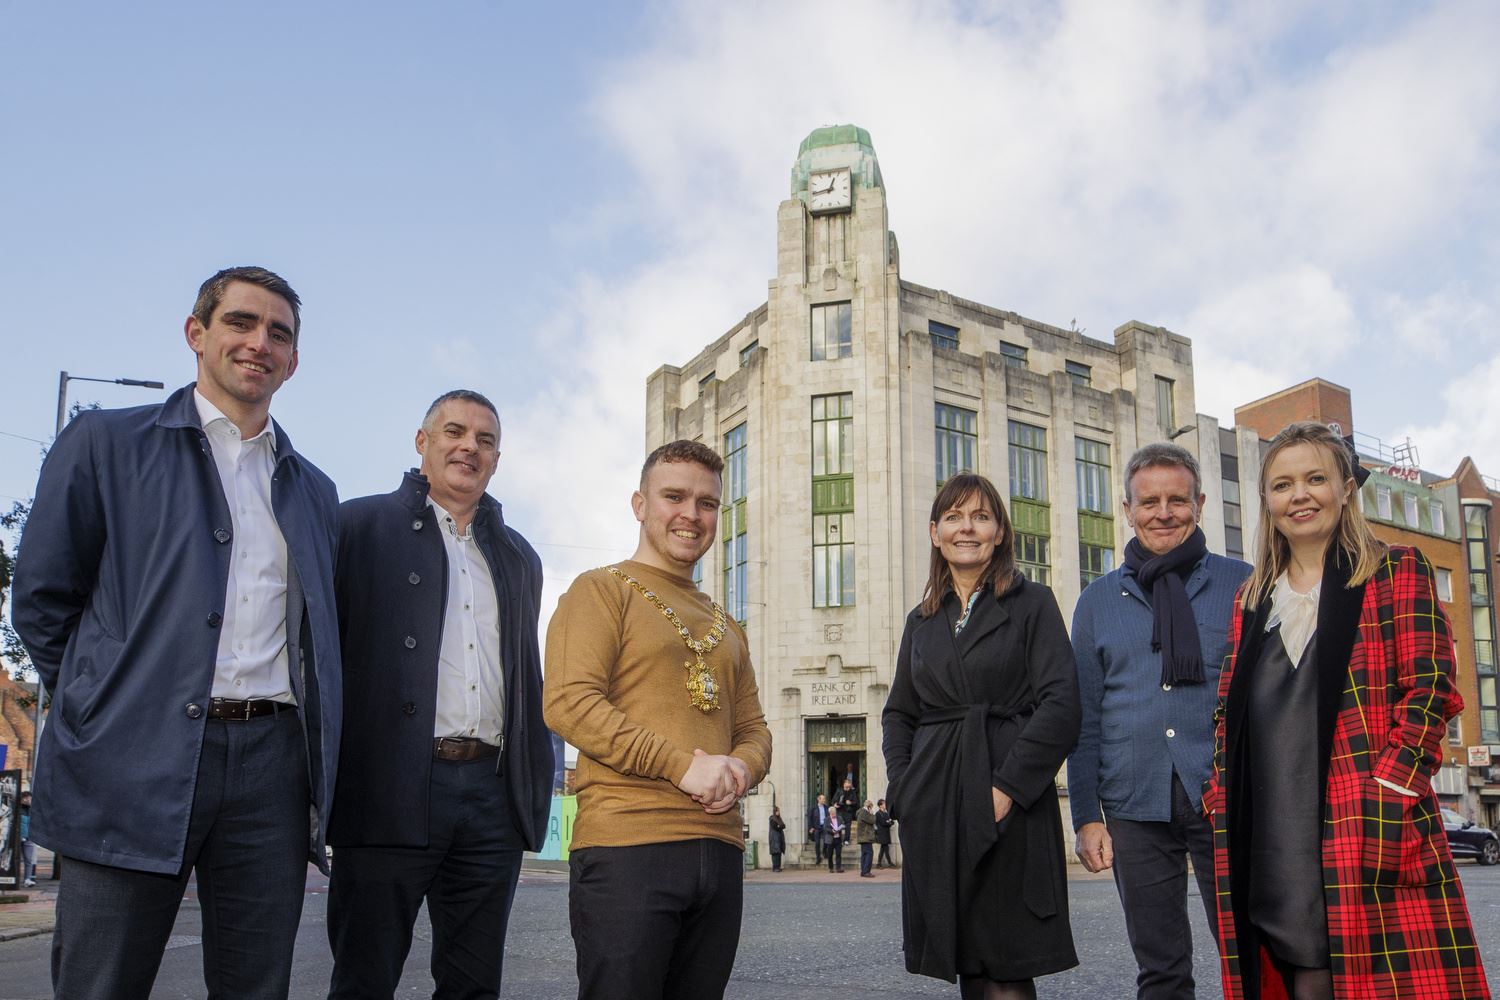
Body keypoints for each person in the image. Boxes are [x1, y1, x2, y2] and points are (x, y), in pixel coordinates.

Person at [11, 266, 341, 1000]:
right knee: (102, 983)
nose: (259, 343)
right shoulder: (105, 443)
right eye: (240, 323)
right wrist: (104, 706)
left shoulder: (315, 489)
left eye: (279, 334)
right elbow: (41, 599)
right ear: (197, 334)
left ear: (293, 361)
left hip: (272, 768)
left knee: (256, 986)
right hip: (131, 758)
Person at [1202, 422, 1490, 999]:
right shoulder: (1252, 597)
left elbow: (1432, 691)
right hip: (1270, 826)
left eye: (1315, 479)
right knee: (1295, 965)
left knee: (1370, 978)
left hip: (1362, 820)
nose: (1299, 495)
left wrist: (1386, 791)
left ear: (1346, 488)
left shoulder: (1397, 570)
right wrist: (1219, 795)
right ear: (1268, 501)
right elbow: (1226, 714)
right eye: (1283, 485)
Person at [325, 390, 554, 999]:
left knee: (474, 985)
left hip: (489, 799)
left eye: (484, 440)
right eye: (454, 432)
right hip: (387, 787)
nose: (468, 447)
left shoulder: (518, 556)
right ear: (422, 443)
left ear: (496, 460)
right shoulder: (358, 525)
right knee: (363, 978)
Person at [544, 439, 772, 1000]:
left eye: (707, 503)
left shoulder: (727, 624)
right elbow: (569, 701)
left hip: (719, 852)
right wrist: (679, 767)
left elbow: (755, 729)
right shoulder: (600, 591)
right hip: (627, 845)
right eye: (674, 496)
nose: (691, 515)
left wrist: (740, 771)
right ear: (640, 504)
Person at [883, 472, 1080, 999]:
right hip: (935, 802)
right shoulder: (920, 622)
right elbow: (899, 713)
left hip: (1007, 795)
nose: (966, 528)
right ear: (934, 532)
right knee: (966, 955)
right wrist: (906, 790)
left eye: (980, 516)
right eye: (953, 517)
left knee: (1006, 964)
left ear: (999, 533)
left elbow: (1061, 705)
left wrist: (1008, 789)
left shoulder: (1032, 603)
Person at [1066, 442, 1249, 999]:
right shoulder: (1097, 601)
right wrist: (1085, 816)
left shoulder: (1242, 584)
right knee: (1161, 967)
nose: (1163, 512)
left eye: (1177, 499)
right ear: (1128, 508)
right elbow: (1084, 717)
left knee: (1250, 951)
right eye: (1149, 502)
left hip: (1224, 795)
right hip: (1132, 802)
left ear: (1199, 503)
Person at [855, 799, 877, 877]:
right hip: (865, 837)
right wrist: (872, 814)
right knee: (869, 854)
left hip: (863, 837)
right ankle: (866, 871)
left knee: (864, 854)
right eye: (871, 807)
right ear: (869, 806)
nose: (871, 808)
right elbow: (873, 820)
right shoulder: (864, 813)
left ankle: (863, 871)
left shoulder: (861, 812)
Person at [807, 793, 831, 866]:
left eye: (824, 799)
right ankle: (818, 857)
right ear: (818, 799)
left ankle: (824, 852)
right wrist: (810, 827)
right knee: (817, 843)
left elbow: (829, 817)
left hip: (824, 827)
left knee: (826, 841)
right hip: (816, 827)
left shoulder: (826, 808)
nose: (824, 800)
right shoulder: (813, 808)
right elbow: (810, 818)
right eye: (823, 799)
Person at [19, 790, 35, 887]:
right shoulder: (17, 808)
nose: (30, 801)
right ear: (24, 798)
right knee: (14, 859)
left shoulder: (32, 810)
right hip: (18, 837)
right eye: (29, 799)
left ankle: (27, 879)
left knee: (28, 859)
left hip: (29, 838)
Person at [874, 798, 895, 868]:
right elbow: (883, 823)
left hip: (886, 833)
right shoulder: (878, 813)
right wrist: (888, 822)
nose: (885, 805)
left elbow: (892, 822)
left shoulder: (886, 813)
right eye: (884, 804)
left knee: (885, 848)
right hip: (882, 833)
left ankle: (882, 863)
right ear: (880, 805)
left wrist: (888, 822)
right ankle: (884, 863)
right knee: (884, 848)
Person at [769, 805, 787, 872]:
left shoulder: (779, 818)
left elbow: (783, 825)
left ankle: (778, 867)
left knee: (779, 853)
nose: (779, 812)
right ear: (775, 812)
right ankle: (775, 867)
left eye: (779, 811)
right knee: (775, 853)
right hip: (774, 838)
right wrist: (780, 826)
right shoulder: (772, 819)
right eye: (777, 811)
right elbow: (776, 827)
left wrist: (780, 826)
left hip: (779, 838)